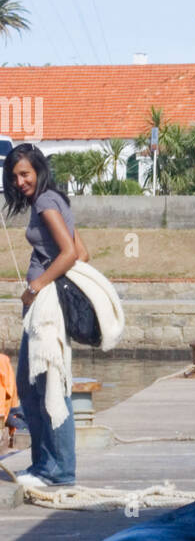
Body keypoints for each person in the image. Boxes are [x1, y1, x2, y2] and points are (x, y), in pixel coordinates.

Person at [3, 144, 90, 490]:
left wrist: (36, 286)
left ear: (38, 170)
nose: (20, 181)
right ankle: (46, 465)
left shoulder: (44, 202)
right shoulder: (56, 198)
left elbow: (70, 253)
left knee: (48, 386)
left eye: (25, 174)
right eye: (14, 176)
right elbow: (82, 252)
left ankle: (56, 470)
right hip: (46, 305)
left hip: (46, 306)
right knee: (31, 384)